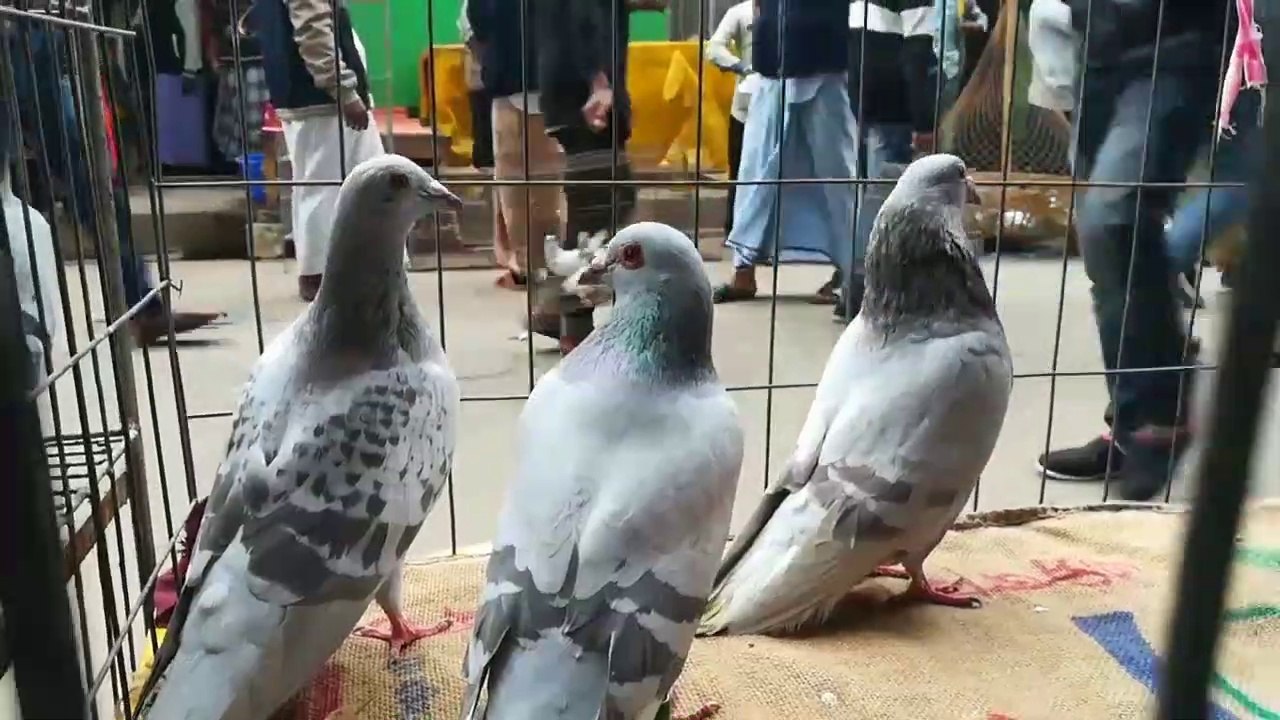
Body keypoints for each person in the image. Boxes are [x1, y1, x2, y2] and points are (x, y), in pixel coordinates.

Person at [1035, 0, 1231, 500]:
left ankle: (1159, 416)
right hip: (1099, 47)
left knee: (1113, 219)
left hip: (1178, 47)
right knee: (1116, 247)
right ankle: (1133, 420)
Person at [2, 13, 223, 347]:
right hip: (21, 31)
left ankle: (143, 306)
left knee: (91, 177)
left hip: (30, 29)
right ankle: (142, 306)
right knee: (85, 173)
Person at [536, 0, 664, 352]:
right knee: (600, 210)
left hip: (574, 93)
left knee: (600, 205)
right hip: (586, 97)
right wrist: (599, 81)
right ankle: (567, 318)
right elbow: (580, 15)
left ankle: (557, 310)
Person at [712, 0, 858, 307]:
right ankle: (743, 271)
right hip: (772, 73)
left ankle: (853, 273)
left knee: (837, 174)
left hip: (825, 70)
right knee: (754, 170)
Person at [250, 0, 386, 302]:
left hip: (310, 94)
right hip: (320, 98)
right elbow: (313, 32)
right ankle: (317, 273)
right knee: (320, 185)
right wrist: (343, 90)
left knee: (359, 176)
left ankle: (368, 266)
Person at [836, 0, 941, 322]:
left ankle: (851, 287)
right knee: (882, 204)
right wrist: (924, 121)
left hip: (860, 99)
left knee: (865, 195)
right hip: (893, 105)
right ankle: (859, 291)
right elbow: (916, 55)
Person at [468, 0, 565, 312]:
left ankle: (530, 265)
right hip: (546, 84)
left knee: (519, 188)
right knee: (545, 187)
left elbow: (476, 25)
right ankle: (545, 262)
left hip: (516, 83)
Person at [706, 0, 757, 240]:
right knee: (740, 171)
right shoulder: (739, 12)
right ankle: (735, 229)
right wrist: (739, 65)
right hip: (745, 108)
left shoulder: (792, 10)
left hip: (785, 102)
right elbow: (713, 48)